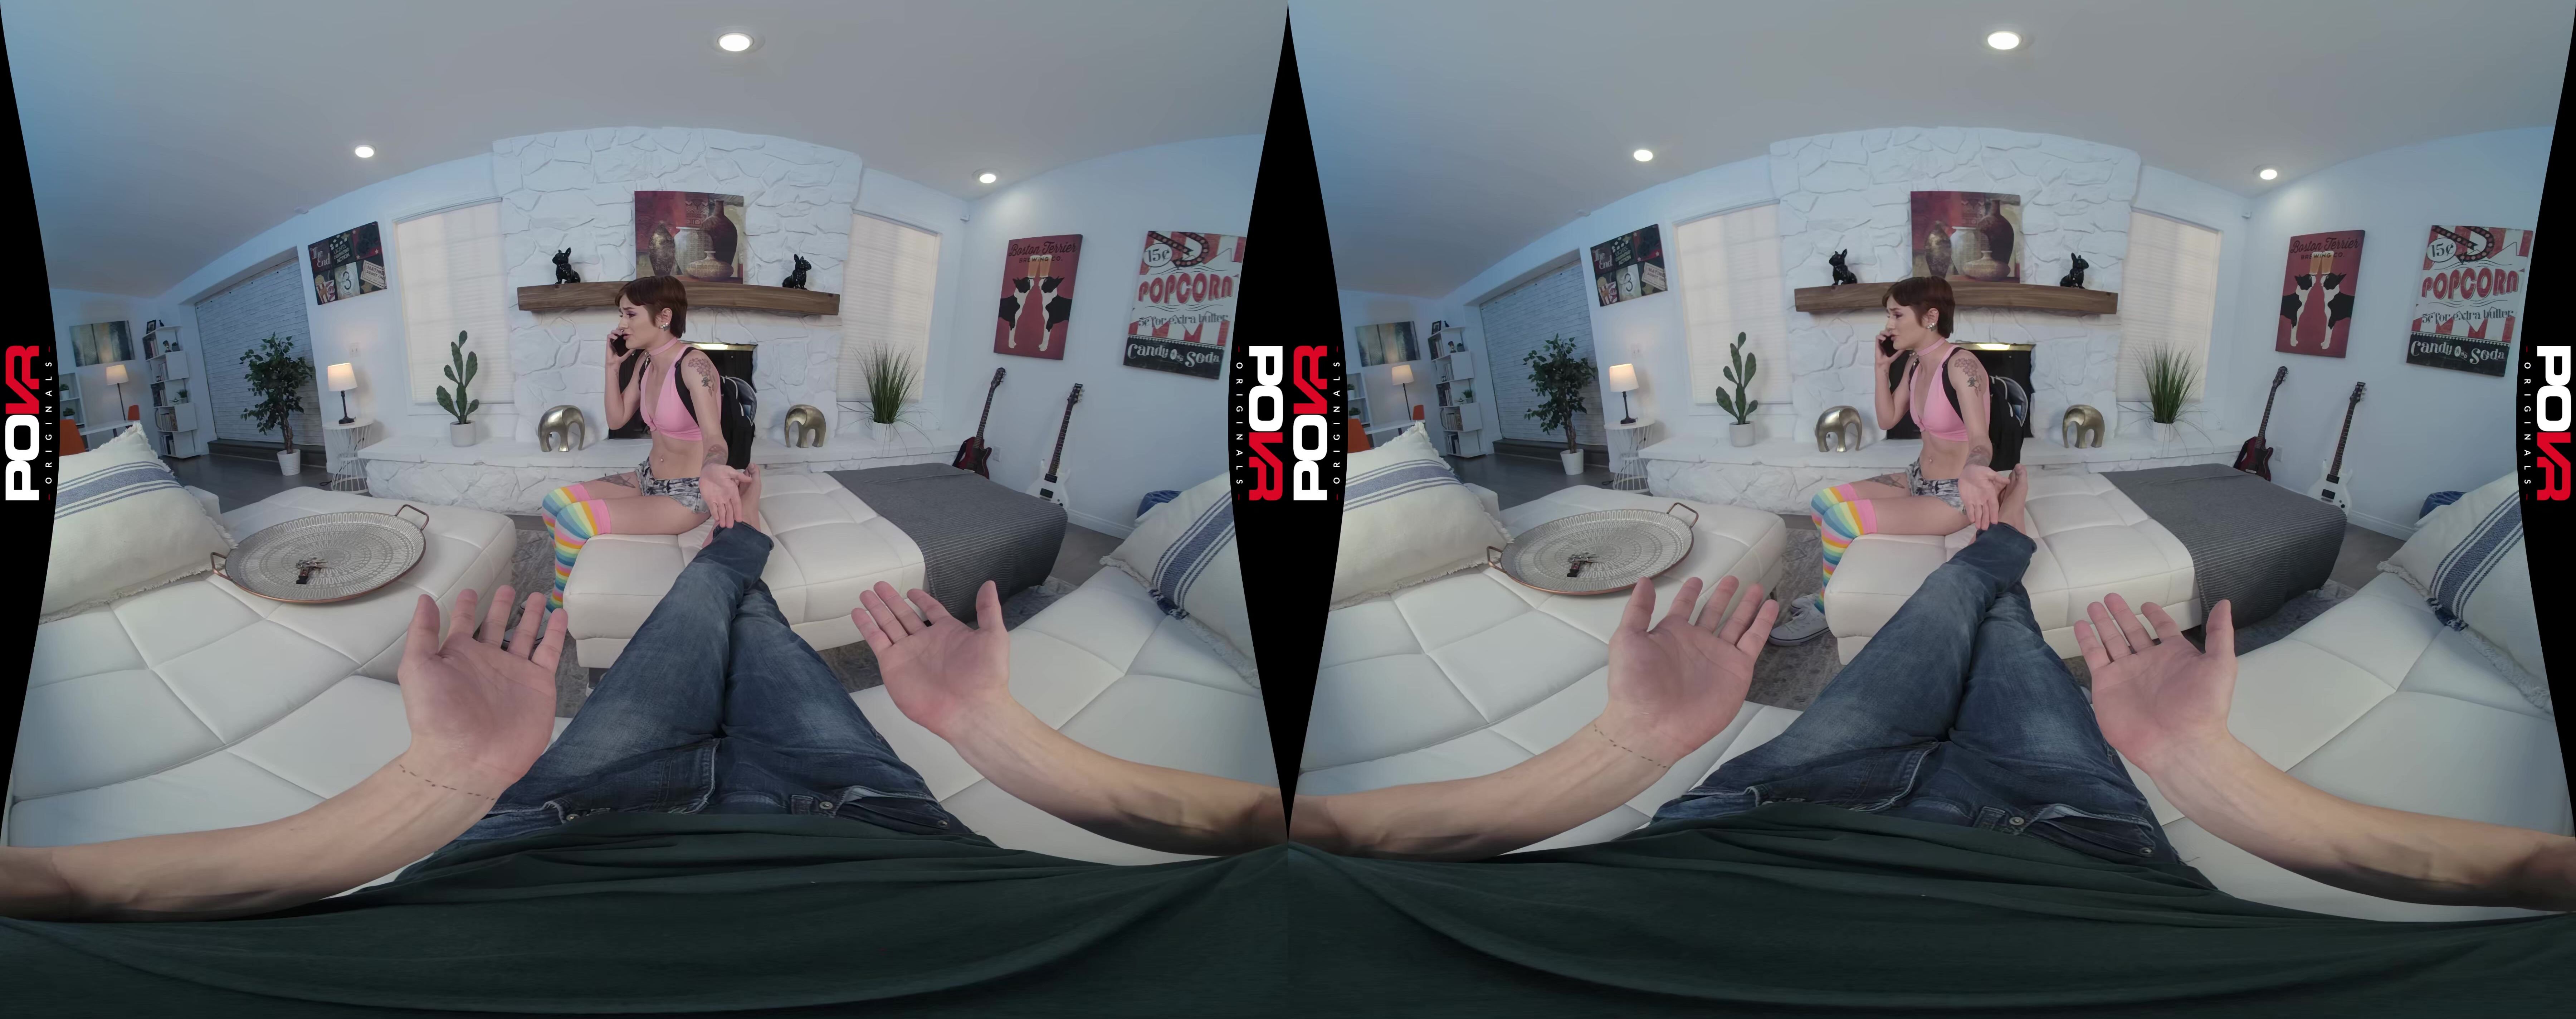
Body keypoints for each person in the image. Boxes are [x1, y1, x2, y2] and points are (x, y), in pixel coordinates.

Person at [1768, 275, 2004, 646]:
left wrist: (1975, 468)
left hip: (1952, 495)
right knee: (1823, 503)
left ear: (1930, 317)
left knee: (1841, 520)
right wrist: (1881, 369)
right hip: (1918, 478)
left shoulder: (1962, 365)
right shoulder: (1915, 363)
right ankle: (1837, 587)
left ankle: (1827, 608)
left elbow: (1980, 439)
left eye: (1897, 315)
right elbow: (1888, 419)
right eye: (1888, 316)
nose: (1888, 325)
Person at [535, 275, 743, 611]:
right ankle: (581, 579)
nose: (621, 325)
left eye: (630, 314)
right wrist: (611, 367)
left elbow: (715, 438)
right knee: (553, 504)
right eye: (621, 314)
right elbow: (616, 419)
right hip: (647, 477)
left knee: (574, 520)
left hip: (686, 493)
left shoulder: (695, 365)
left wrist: (714, 469)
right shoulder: (646, 362)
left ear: (664, 317)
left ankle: (558, 609)